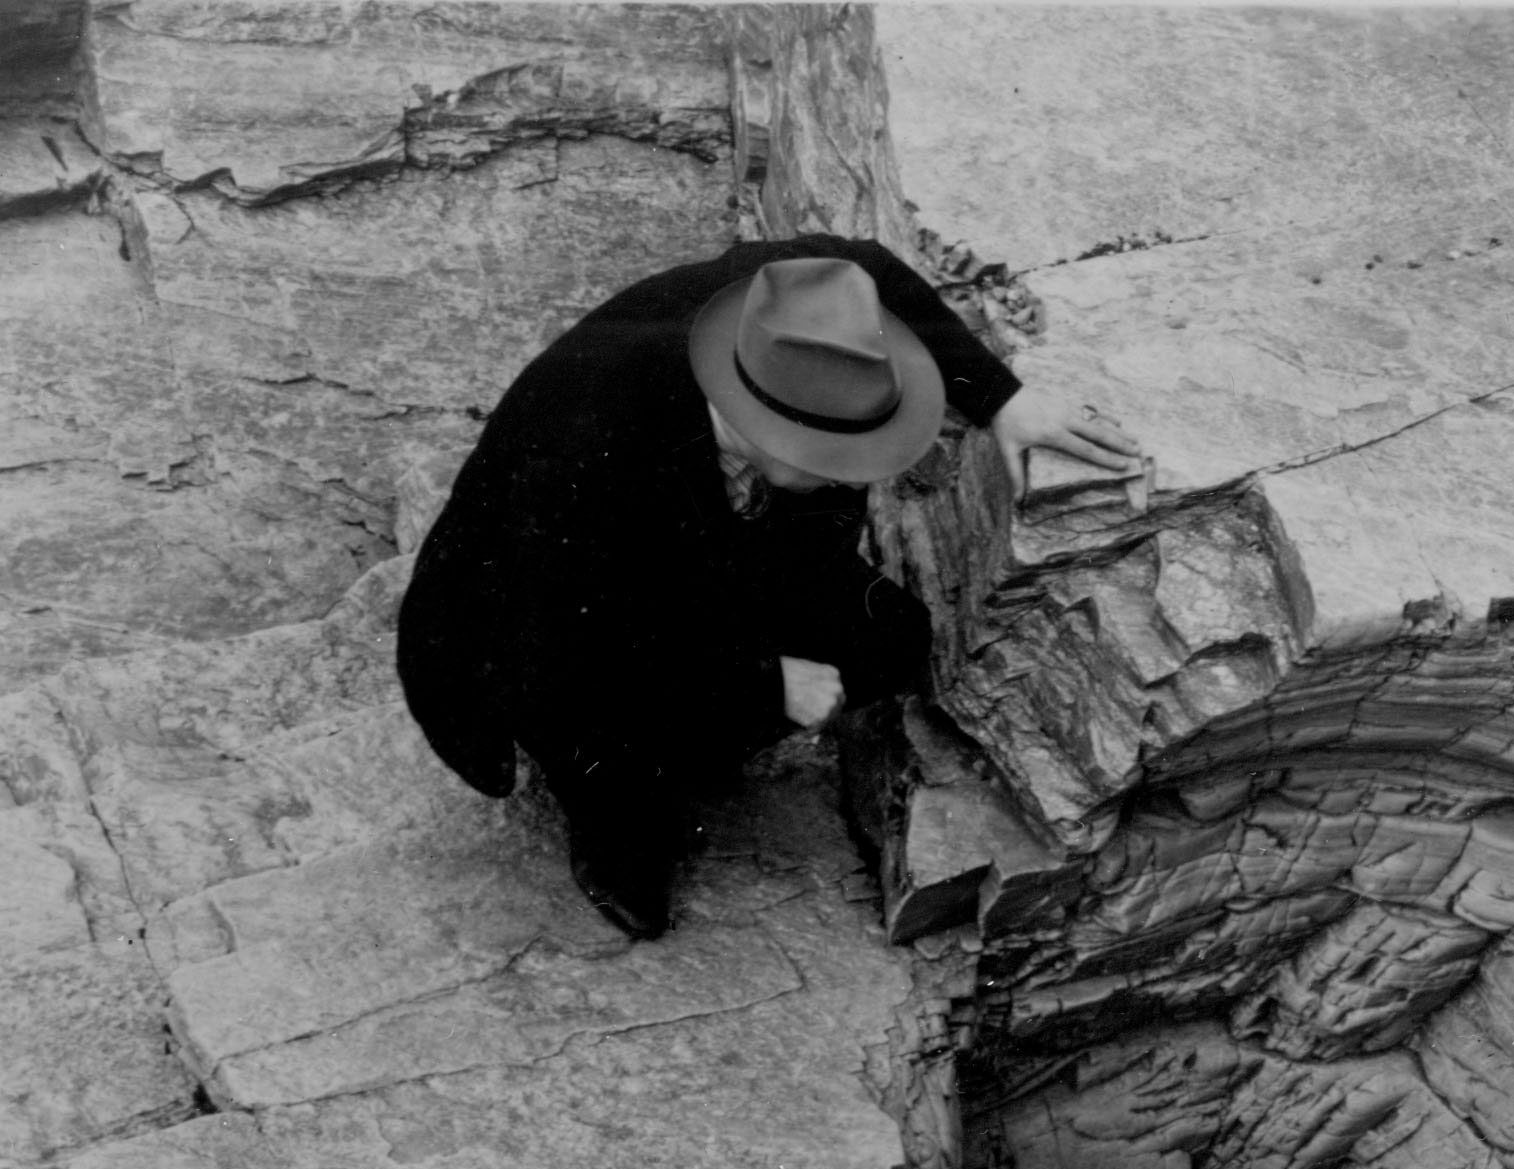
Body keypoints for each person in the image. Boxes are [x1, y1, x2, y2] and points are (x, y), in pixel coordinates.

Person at [396, 234, 1140, 939]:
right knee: (613, 741)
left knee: (890, 641)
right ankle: (613, 811)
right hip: (541, 638)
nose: (868, 470)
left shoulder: (783, 311)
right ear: (764, 426)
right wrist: (759, 683)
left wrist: (1004, 399)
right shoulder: (582, 456)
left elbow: (864, 266)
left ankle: (703, 733)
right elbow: (561, 662)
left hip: (709, 549)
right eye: (839, 454)